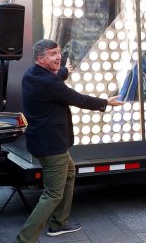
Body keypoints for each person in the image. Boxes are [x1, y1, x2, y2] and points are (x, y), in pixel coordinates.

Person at [15, 39, 123, 243]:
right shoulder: (49, 83)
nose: (58, 57)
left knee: (70, 173)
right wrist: (105, 102)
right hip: (52, 145)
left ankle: (59, 223)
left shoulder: (32, 74)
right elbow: (77, 98)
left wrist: (64, 71)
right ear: (40, 59)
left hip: (43, 141)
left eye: (58, 52)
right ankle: (25, 239)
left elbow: (55, 78)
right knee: (52, 194)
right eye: (52, 54)